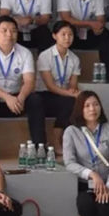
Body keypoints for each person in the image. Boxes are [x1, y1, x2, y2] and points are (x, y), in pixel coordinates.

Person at [0, 15, 46, 146]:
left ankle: (39, 147)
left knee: (36, 100)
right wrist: (6, 97)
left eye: (13, 31)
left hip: (16, 100)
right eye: (4, 30)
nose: (9, 34)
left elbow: (29, 81)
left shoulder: (25, 53)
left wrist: (21, 98)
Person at [36, 21, 81, 153]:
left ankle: (69, 142)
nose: (67, 38)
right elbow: (50, 86)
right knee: (70, 100)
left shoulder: (74, 59)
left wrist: (73, 92)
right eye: (63, 34)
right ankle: (56, 142)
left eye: (70, 35)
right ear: (54, 36)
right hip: (44, 94)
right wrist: (71, 94)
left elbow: (73, 85)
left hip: (63, 95)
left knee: (72, 101)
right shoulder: (45, 56)